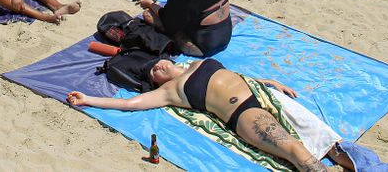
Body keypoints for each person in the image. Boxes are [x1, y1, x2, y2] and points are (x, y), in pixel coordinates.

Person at [66, 58, 354, 172]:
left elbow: (237, 74)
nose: (157, 67)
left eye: (156, 63)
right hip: (246, 113)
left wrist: (270, 82)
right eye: (153, 72)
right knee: (295, 150)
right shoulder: (172, 91)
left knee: (328, 142)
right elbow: (132, 104)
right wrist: (88, 99)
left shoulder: (197, 60)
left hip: (263, 94)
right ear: (157, 83)